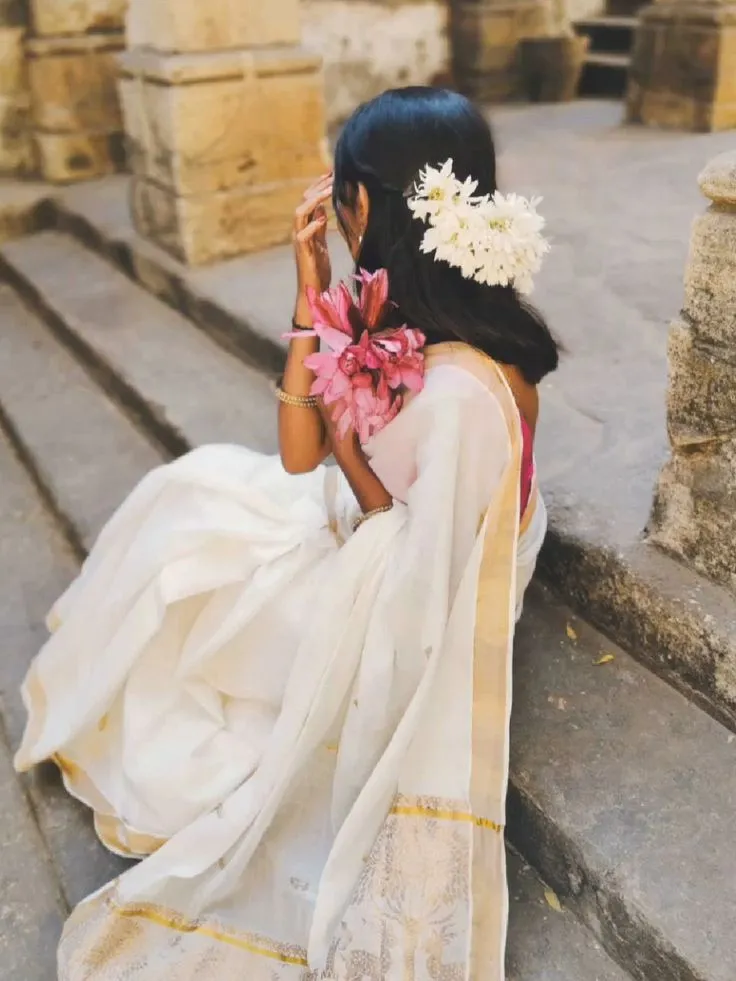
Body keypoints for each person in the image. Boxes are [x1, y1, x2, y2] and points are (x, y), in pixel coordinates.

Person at [15, 87, 559, 981]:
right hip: (352, 525)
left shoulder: (468, 390)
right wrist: (310, 295)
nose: (337, 213)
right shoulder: (401, 312)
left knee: (194, 568)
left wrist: (353, 449)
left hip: (374, 583)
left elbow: (409, 560)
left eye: (344, 193)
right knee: (187, 489)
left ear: (372, 206)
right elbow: (298, 454)